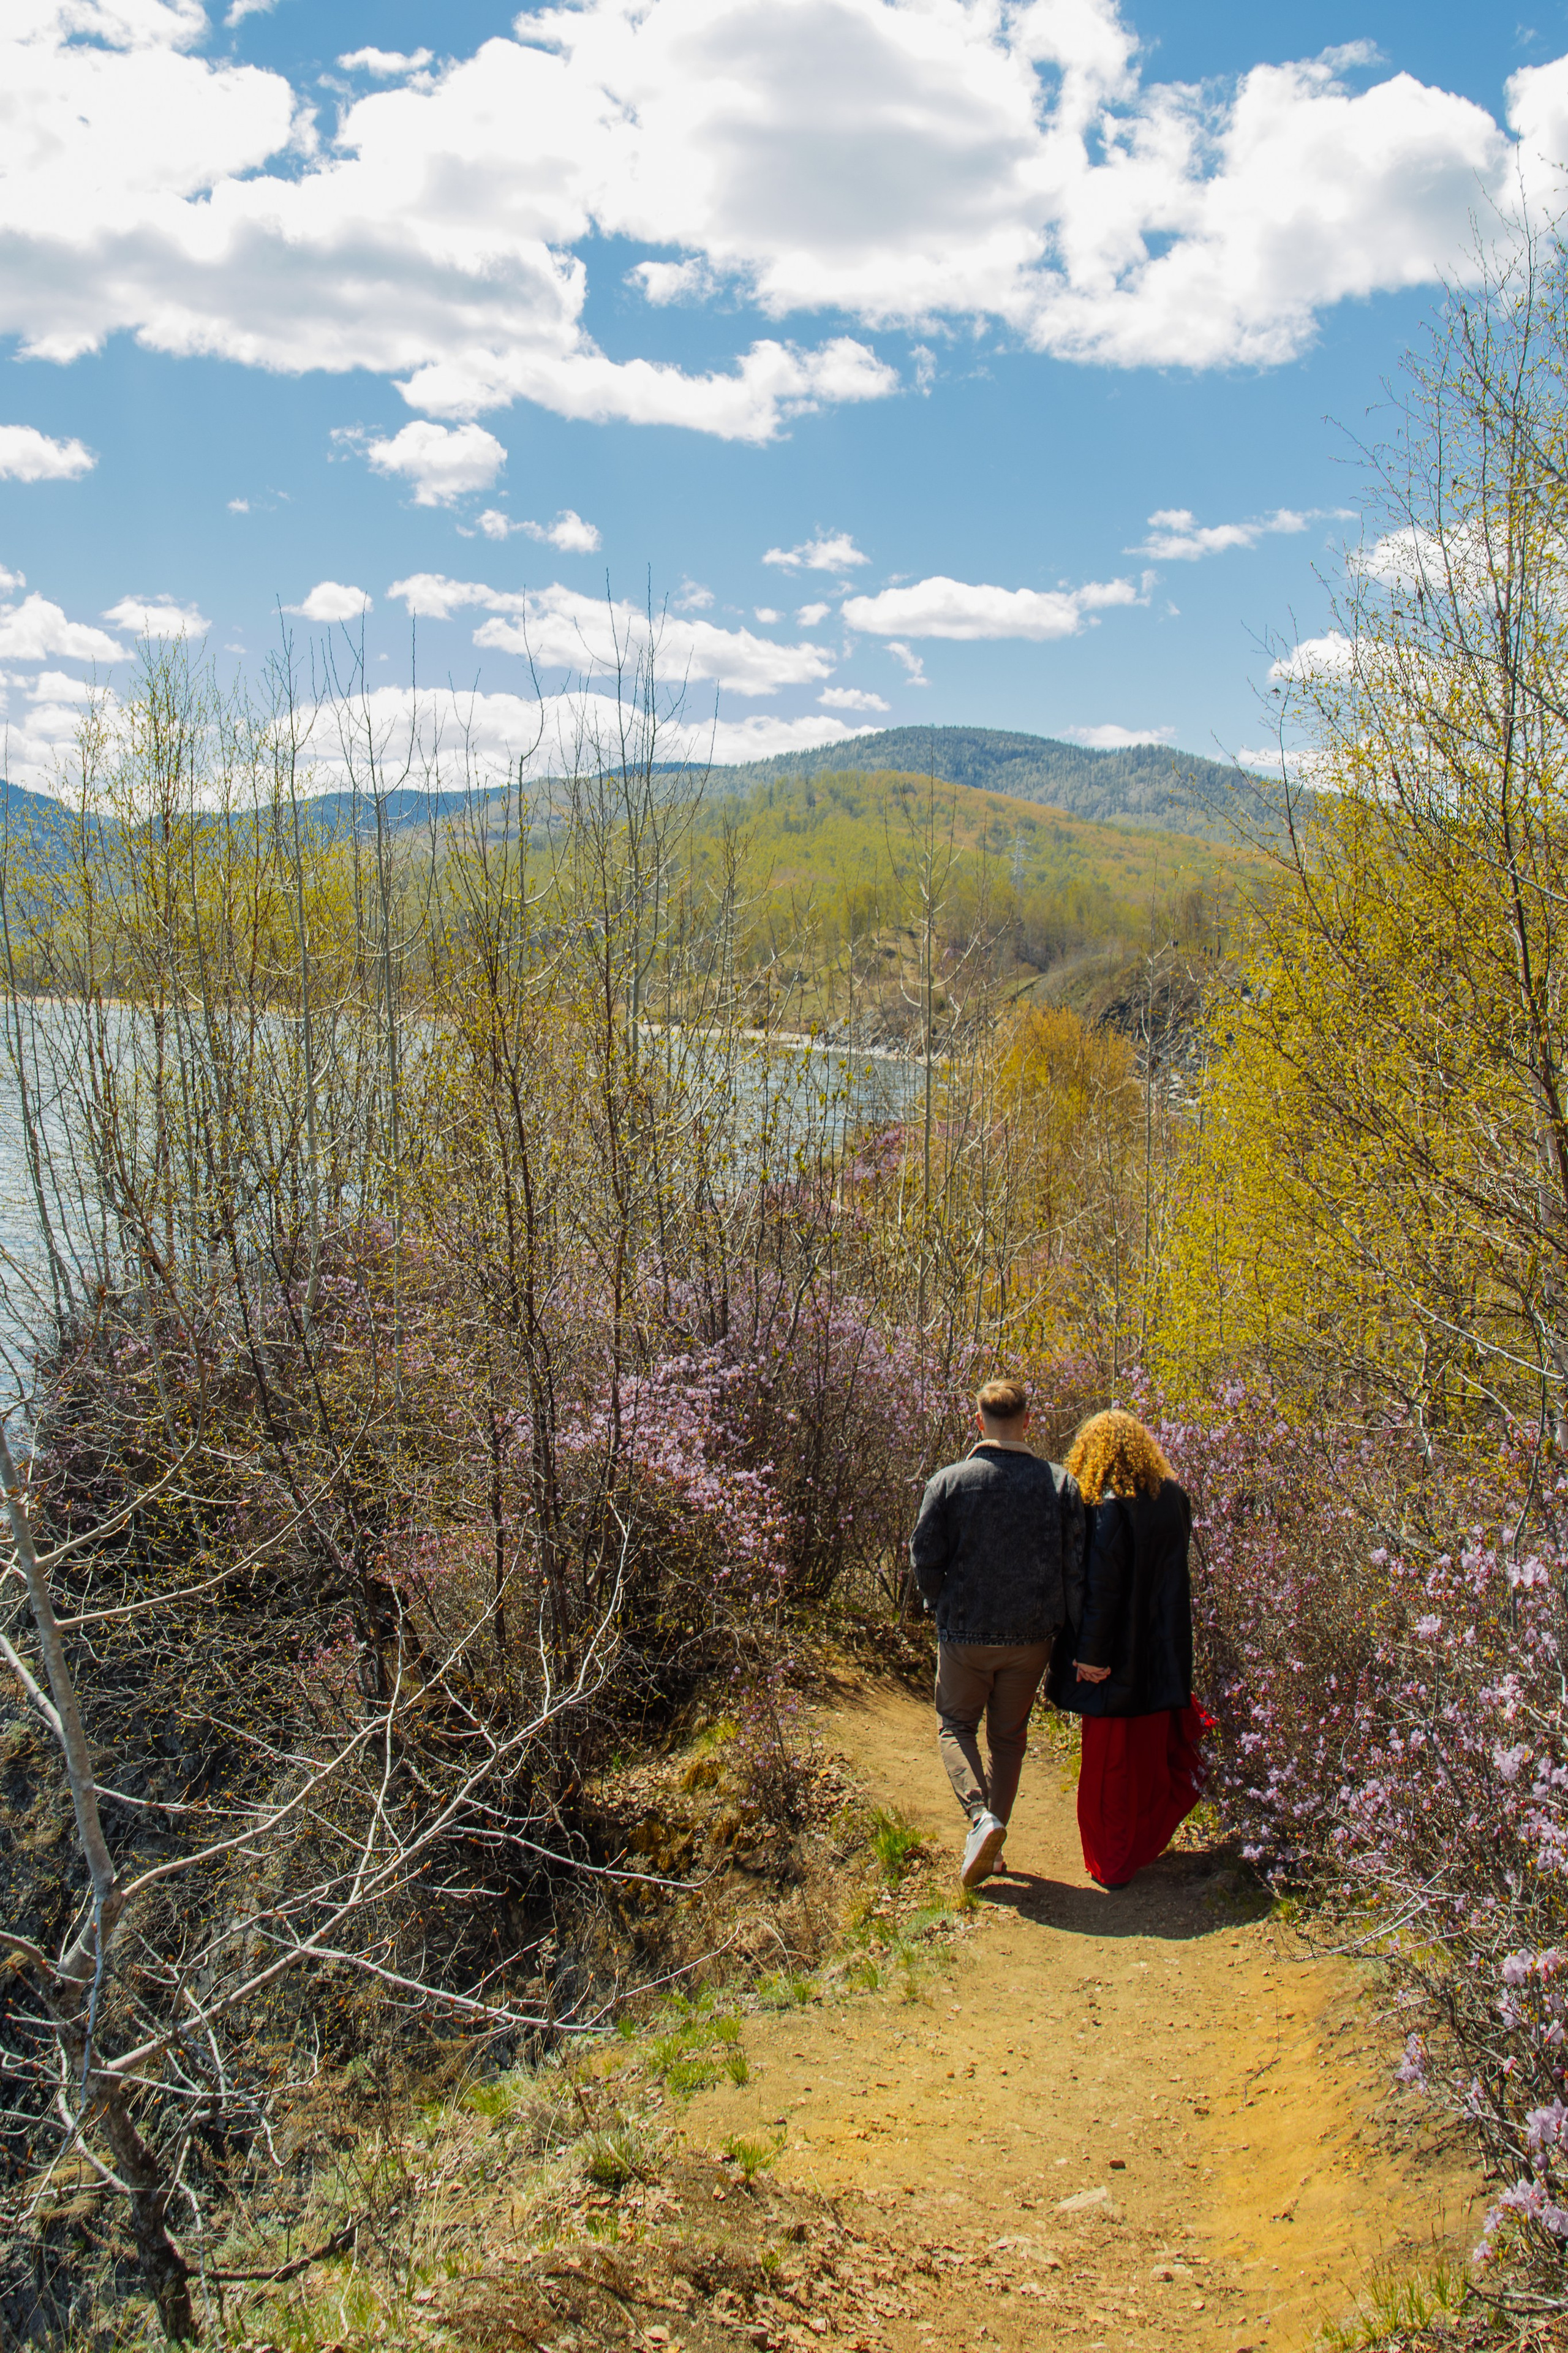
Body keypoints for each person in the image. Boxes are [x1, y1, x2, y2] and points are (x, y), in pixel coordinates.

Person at [910, 1378, 1084, 1889]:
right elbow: (1074, 1566)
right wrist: (1072, 1636)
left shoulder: (949, 1481)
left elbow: (925, 1555)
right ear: (1028, 1421)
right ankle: (994, 1840)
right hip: (1033, 1637)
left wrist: (936, 1601)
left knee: (954, 1726)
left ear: (978, 1421)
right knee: (1008, 1739)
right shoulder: (1058, 1483)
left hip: (964, 1632)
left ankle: (980, 1819)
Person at [1045, 1408, 1209, 1890]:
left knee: (1110, 1771)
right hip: (1162, 1657)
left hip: (1116, 1661)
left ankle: (1111, 1862)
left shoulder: (1110, 1506)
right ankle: (1135, 1848)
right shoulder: (1173, 1497)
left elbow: (1104, 1589)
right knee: (1149, 1762)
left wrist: (1091, 1655)